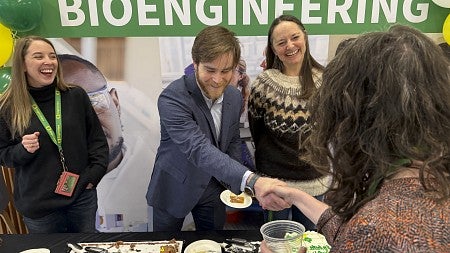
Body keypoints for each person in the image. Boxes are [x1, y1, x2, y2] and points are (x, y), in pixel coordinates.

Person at [262, 25, 450, 252]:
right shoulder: (431, 181)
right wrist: (296, 196)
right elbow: (353, 229)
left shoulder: (378, 228)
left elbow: (366, 232)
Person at [146, 25, 290, 231]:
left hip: (213, 189)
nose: (217, 79)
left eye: (225, 71)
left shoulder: (233, 96)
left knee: (213, 242)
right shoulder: (172, 98)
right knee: (165, 244)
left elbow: (231, 140)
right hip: (174, 187)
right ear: (195, 64)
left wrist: (236, 187)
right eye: (210, 70)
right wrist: (251, 181)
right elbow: (198, 148)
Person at [0, 36, 108, 233]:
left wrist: (92, 176)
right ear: (22, 65)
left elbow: (97, 141)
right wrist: (22, 150)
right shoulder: (7, 107)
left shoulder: (75, 96)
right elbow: (3, 155)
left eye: (52, 56)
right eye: (38, 56)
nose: (48, 62)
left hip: (81, 197)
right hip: (39, 207)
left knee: (87, 246)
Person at [59, 54, 158, 232]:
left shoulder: (164, 176)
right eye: (64, 114)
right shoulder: (49, 181)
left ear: (115, 101)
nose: (88, 125)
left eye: (95, 103)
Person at [247, 14, 327, 230]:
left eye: (295, 37)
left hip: (314, 183)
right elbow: (257, 133)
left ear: (305, 37)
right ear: (273, 48)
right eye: (281, 42)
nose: (290, 46)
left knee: (310, 242)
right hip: (275, 185)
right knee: (276, 242)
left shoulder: (326, 81)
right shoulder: (263, 85)